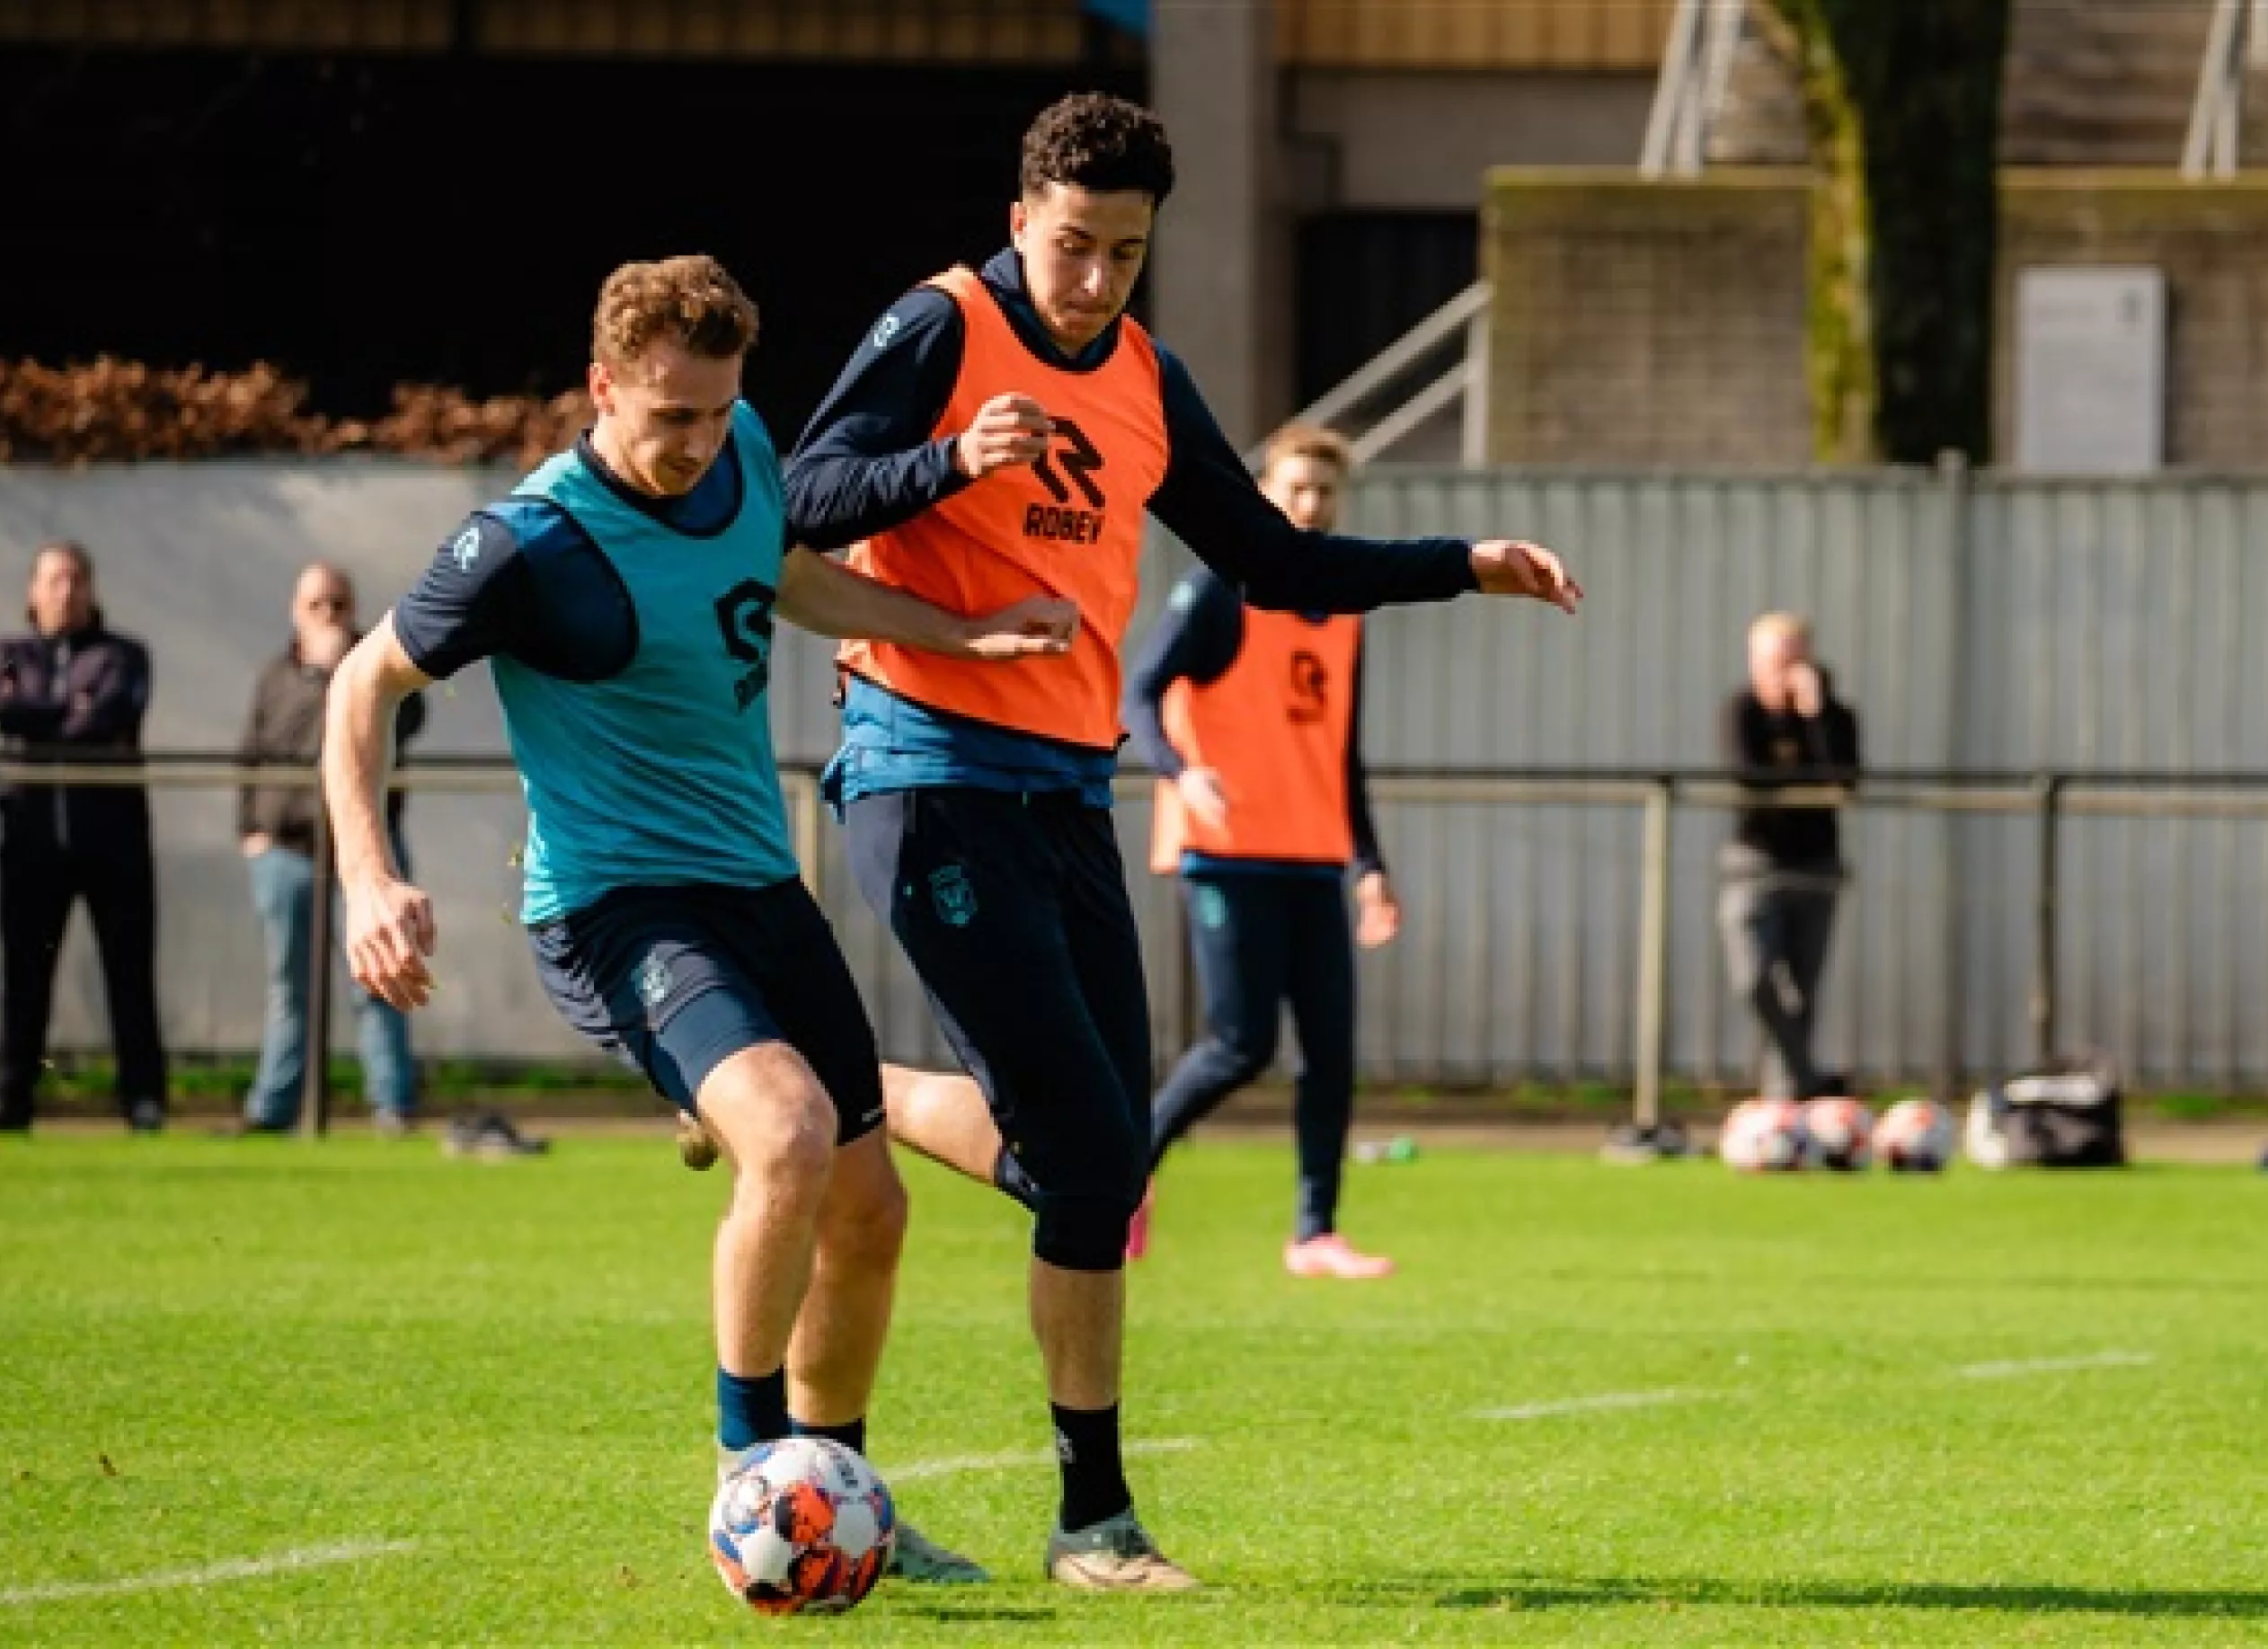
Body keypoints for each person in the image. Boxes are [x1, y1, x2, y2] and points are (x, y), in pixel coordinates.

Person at [784, 93, 1580, 1591]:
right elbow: (801, 496)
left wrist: (1461, 566)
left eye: (1124, 255)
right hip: (924, 772)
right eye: (1071, 246)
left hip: (1069, 796)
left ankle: (830, 1102)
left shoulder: (1147, 375)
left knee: (1095, 1175)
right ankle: (1095, 1523)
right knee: (1089, 1148)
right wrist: (948, 462)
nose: (1091, 282)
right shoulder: (941, 326)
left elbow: (1274, 554)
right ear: (1020, 219)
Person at [321, 255, 1075, 1584]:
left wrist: (960, 631)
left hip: (756, 886)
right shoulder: (525, 542)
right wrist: (370, 877)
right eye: (669, 416)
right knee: (782, 1132)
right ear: (602, 387)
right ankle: (752, 1479)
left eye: (718, 411)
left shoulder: (743, 452)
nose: (697, 443)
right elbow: (358, 686)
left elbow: (788, 578)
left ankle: (835, 1496)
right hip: (618, 904)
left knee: (870, 1212)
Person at [1121, 424, 1401, 1279]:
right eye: (1296, 488)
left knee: (1331, 1051)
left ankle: (1314, 1231)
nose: (1311, 504)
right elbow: (1136, 691)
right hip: (1225, 848)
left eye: (1324, 490)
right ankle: (1123, 1173)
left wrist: (1371, 865)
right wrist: (1180, 771)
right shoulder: (1219, 589)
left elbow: (1342, 752)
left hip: (1313, 854)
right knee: (1240, 1043)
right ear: (1265, 492)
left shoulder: (1342, 607)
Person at [0, 541, 167, 1133]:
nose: (67, 590)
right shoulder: (9, 653)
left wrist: (43, 712)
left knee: (129, 971)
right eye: (55, 579)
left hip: (112, 843)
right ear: (33, 590)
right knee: (24, 974)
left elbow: (105, 716)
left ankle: (142, 1098)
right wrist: (65, 707)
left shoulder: (123, 654)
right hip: (31, 841)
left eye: (77, 579)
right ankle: (13, 1097)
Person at [236, 563, 425, 1136]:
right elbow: (253, 752)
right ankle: (273, 1108)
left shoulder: (379, 661)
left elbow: (408, 720)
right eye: (317, 606)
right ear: (297, 611)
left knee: (382, 978)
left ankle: (392, 1104)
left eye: (338, 605)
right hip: (287, 848)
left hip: (365, 853)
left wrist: (344, 675)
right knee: (287, 986)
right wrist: (251, 828)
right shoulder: (276, 675)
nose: (328, 617)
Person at [1718, 612, 1863, 1103]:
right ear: (1755, 662)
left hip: (1816, 864)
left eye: (1795, 659)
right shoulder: (1742, 711)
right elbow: (1749, 777)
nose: (1786, 670)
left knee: (1804, 990)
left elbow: (1843, 781)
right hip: (1755, 863)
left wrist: (1813, 715)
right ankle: (1807, 1077)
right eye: (1776, 660)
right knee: (1753, 978)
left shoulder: (1835, 717)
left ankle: (1786, 1098)